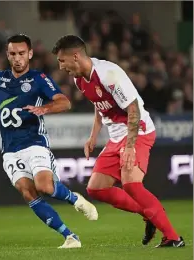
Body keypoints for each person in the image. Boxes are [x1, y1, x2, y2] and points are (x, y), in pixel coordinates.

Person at [0, 27, 98, 249]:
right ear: (7, 54)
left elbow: (64, 102)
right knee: (27, 192)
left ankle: (75, 199)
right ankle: (70, 237)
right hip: (10, 150)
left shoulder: (39, 79)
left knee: (45, 187)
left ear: (29, 54)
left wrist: (46, 108)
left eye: (22, 53)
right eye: (13, 54)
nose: (17, 58)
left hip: (35, 144)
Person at [52, 35, 185, 248]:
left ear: (75, 56)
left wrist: (130, 146)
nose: (60, 66)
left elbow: (133, 109)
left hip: (138, 130)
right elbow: (99, 104)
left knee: (131, 184)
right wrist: (93, 135)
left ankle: (173, 237)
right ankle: (149, 213)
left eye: (62, 60)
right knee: (96, 188)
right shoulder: (79, 79)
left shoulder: (109, 74)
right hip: (116, 136)